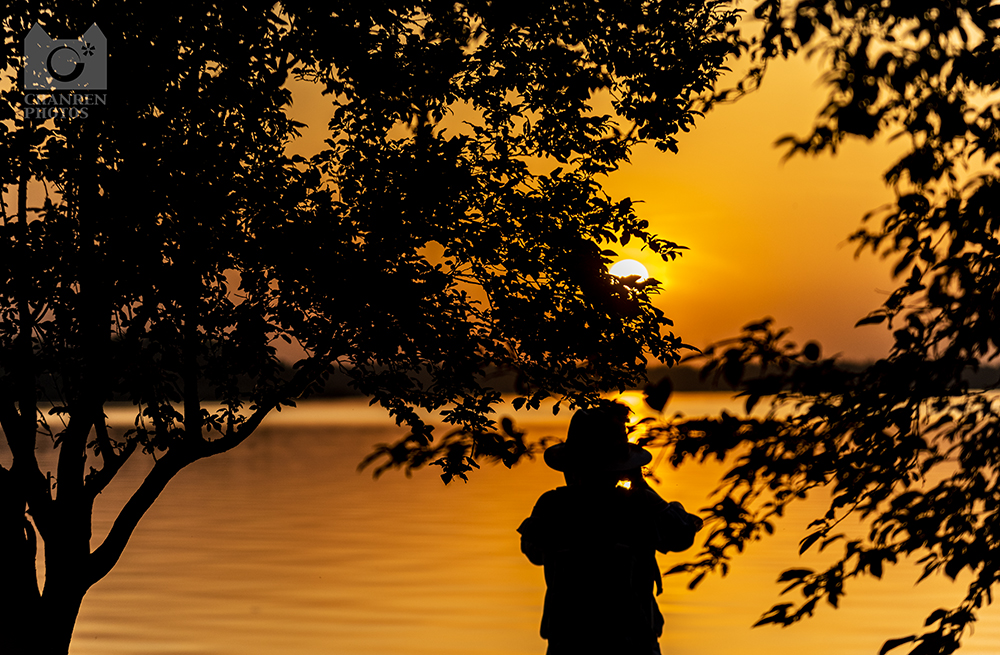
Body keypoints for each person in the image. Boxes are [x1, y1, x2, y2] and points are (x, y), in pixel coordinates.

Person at [517, 404, 703, 655]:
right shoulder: (640, 504)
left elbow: (533, 552)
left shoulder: (552, 505)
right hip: (633, 642)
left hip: (569, 641)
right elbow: (681, 536)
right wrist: (642, 485)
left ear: (571, 466)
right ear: (622, 467)